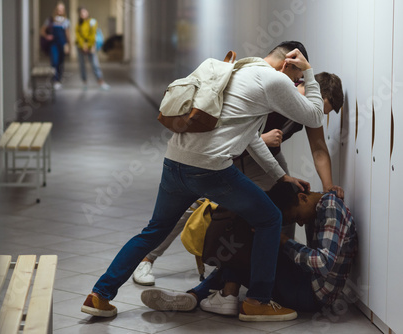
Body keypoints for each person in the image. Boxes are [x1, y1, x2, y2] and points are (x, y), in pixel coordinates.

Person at [81, 41, 324, 320]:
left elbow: (252, 139)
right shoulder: (273, 79)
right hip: (211, 169)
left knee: (154, 230)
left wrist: (281, 176)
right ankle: (258, 301)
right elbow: (315, 115)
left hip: (175, 162)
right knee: (270, 218)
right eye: (296, 79)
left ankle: (100, 294)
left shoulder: (237, 69)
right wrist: (310, 72)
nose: (295, 84)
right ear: (288, 64)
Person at [132, 72, 345, 286]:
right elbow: (228, 125)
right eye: (319, 108)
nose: (316, 116)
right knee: (192, 203)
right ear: (310, 91)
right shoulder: (277, 91)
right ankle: (147, 258)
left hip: (265, 157)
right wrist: (261, 139)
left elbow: (318, 148)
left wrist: (328, 189)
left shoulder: (311, 110)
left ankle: (273, 270)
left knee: (285, 202)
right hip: (229, 151)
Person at [141, 182, 358, 320]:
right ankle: (201, 296)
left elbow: (322, 263)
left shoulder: (329, 206)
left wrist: (283, 241)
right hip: (307, 285)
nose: (300, 224)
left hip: (313, 295)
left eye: (296, 217)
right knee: (250, 244)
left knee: (250, 244)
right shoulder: (319, 207)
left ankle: (210, 295)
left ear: (303, 198)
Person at [75, 7, 109, 90]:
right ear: (79, 15)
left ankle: (100, 81)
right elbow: (78, 36)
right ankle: (84, 82)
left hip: (91, 47)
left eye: (84, 12)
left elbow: (93, 34)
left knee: (95, 64)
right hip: (80, 47)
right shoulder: (78, 24)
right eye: (81, 13)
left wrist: (89, 45)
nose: (83, 14)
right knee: (82, 65)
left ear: (88, 13)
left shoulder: (92, 22)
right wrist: (83, 46)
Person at [40, 1, 71, 89]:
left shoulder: (66, 21)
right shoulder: (50, 20)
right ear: (56, 10)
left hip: (62, 43)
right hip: (54, 44)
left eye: (62, 9)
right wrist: (47, 36)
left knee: (61, 62)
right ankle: (54, 79)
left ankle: (59, 79)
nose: (60, 11)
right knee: (54, 61)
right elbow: (42, 30)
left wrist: (69, 45)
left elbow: (67, 34)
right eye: (58, 9)